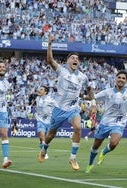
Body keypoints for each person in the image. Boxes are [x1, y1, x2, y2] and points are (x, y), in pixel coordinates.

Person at [38, 35, 94, 171]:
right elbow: (50, 60)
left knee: (78, 128)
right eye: (72, 58)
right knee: (50, 135)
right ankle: (44, 149)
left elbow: (90, 90)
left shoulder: (83, 77)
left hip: (72, 109)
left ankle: (73, 158)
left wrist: (93, 102)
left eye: (77, 59)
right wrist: (49, 44)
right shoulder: (62, 71)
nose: (75, 60)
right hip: (58, 109)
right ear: (67, 61)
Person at [35, 85, 55, 160]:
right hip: (40, 120)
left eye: (41, 89)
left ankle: (44, 150)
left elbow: (56, 106)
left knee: (46, 139)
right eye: (39, 89)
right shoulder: (37, 98)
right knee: (41, 136)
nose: (39, 90)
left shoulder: (50, 100)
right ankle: (44, 153)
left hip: (49, 121)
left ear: (45, 92)